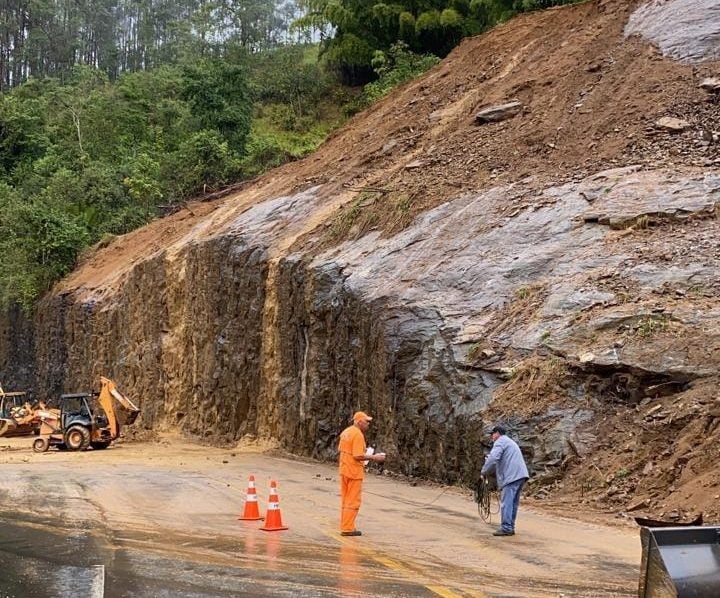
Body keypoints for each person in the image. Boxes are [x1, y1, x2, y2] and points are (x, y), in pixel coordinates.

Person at [338, 411, 386, 536]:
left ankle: (346, 524)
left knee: (345, 499)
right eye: (366, 422)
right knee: (353, 501)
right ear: (359, 422)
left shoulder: (346, 432)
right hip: (353, 472)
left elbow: (343, 450)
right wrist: (375, 457)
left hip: (344, 469)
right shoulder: (357, 435)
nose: (368, 424)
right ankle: (347, 528)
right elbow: (357, 455)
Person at [481, 424, 529, 537]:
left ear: (497, 433)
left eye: (492, 434)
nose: (491, 437)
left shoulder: (500, 441)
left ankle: (506, 527)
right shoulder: (509, 442)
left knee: (507, 502)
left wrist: (483, 472)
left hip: (511, 476)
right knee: (513, 503)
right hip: (520, 475)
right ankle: (510, 526)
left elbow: (493, 458)